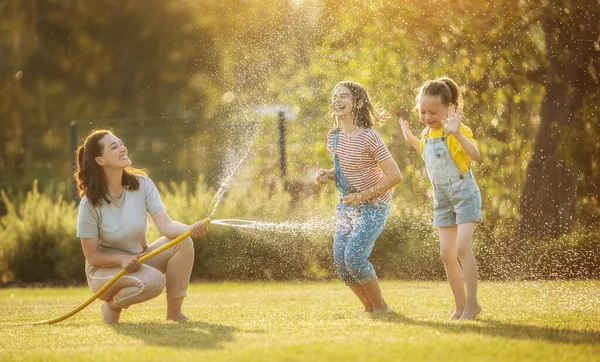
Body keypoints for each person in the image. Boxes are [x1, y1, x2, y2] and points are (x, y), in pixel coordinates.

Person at [74, 129, 209, 323]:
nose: (122, 148)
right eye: (114, 147)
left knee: (182, 242)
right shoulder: (90, 203)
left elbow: (167, 226)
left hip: (140, 259)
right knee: (155, 282)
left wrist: (190, 228)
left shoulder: (143, 184)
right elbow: (92, 256)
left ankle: (174, 314)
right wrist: (121, 259)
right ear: (100, 160)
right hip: (103, 271)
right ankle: (111, 306)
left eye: (121, 143)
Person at [398, 77, 482, 320]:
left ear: (449, 109)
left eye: (433, 112)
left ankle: (472, 305)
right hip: (442, 199)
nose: (426, 116)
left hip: (464, 194)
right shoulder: (427, 132)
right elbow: (427, 152)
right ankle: (460, 306)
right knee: (447, 254)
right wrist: (411, 139)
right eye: (423, 111)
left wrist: (458, 134)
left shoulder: (457, 130)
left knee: (462, 247)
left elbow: (475, 155)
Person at [315, 81, 402, 313]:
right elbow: (349, 167)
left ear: (359, 102)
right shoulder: (334, 136)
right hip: (348, 206)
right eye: (334, 96)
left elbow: (395, 176)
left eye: (343, 96)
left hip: (373, 205)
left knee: (353, 257)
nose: (337, 100)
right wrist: (329, 174)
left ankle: (381, 307)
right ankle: (369, 308)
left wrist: (362, 196)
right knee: (341, 264)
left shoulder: (369, 137)